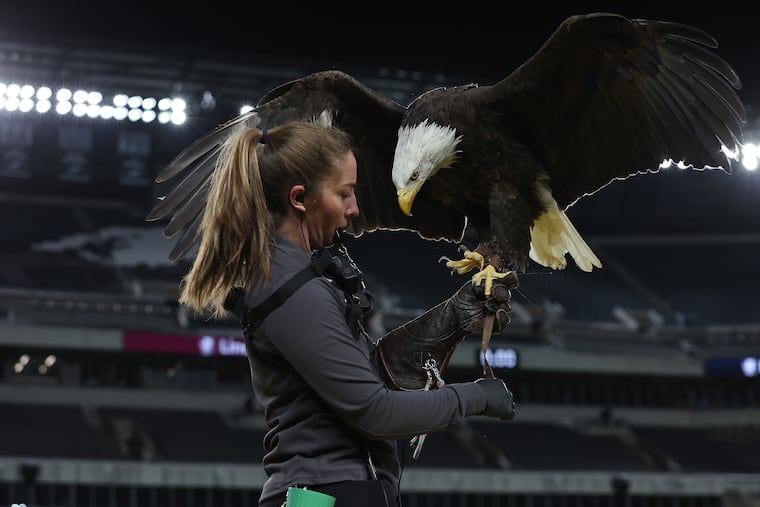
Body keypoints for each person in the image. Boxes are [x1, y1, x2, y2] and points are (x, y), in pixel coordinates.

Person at [176, 120, 517, 507]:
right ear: (300, 199)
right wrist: (475, 397)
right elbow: (376, 412)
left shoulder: (299, 279)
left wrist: (453, 317)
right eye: (345, 193)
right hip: (325, 495)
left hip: (332, 494)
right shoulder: (294, 292)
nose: (355, 209)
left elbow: (369, 371)